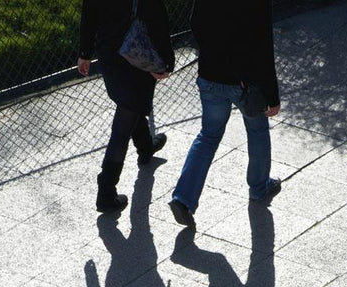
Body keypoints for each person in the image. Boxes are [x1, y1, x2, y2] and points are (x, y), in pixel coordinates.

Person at [169, 0, 281, 227]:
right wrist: (272, 95)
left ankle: (183, 198)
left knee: (208, 136)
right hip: (244, 82)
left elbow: (196, 23)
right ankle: (259, 187)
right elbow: (263, 43)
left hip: (210, 75)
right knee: (257, 131)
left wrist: (212, 55)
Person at [78, 0, 175, 213]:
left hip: (109, 53)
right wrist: (166, 61)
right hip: (137, 51)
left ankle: (145, 146)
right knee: (123, 124)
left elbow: (89, 14)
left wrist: (85, 53)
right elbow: (157, 17)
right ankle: (106, 190)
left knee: (130, 105)